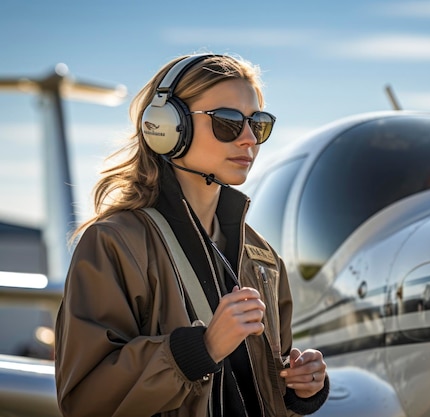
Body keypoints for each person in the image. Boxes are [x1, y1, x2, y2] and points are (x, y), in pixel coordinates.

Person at [54, 53, 329, 417]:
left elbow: (262, 392)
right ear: (167, 126)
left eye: (258, 124)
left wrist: (301, 389)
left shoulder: (262, 256)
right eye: (228, 122)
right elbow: (86, 401)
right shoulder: (113, 244)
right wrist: (202, 349)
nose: (248, 139)